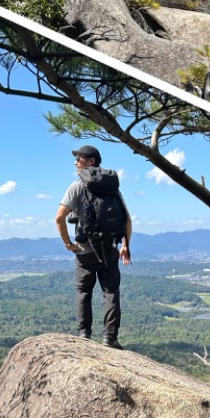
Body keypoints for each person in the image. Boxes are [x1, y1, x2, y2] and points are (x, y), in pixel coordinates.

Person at [55, 145, 132, 348]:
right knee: (111, 292)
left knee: (84, 292)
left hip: (85, 251)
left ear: (92, 161)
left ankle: (84, 335)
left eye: (79, 159)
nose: (75, 162)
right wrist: (125, 246)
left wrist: (68, 244)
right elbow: (127, 220)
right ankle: (110, 338)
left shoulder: (77, 186)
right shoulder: (112, 188)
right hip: (109, 250)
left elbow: (59, 218)